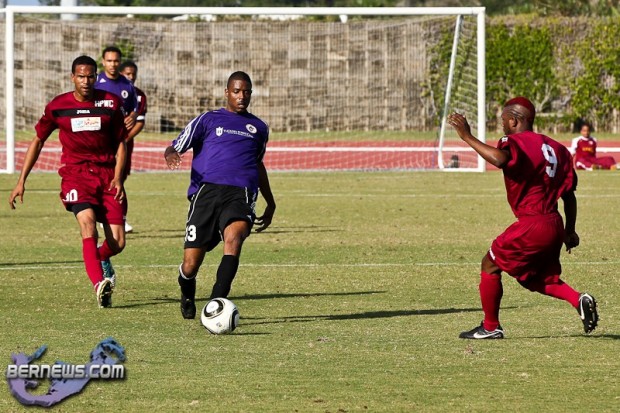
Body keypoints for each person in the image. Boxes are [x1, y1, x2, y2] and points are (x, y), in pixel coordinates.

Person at [447, 96, 598, 339]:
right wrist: (569, 231)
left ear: (515, 120)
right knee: (534, 278)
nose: (502, 125)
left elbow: (499, 159)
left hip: (532, 223)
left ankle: (490, 327)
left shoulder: (513, 141)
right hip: (554, 222)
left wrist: (467, 136)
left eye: (504, 120)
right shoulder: (558, 149)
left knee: (490, 264)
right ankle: (578, 299)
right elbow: (569, 196)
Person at [8, 55, 128, 308]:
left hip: (107, 176)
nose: (86, 81)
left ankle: (100, 258)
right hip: (76, 175)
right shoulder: (57, 106)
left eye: (90, 76)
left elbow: (121, 142)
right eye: (81, 76)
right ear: (72, 77)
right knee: (87, 223)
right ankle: (99, 284)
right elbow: (38, 140)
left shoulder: (110, 103)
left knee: (117, 243)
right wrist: (21, 180)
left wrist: (118, 177)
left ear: (96, 77)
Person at [164, 71, 276, 320]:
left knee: (234, 240)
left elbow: (258, 164)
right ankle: (187, 291)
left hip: (241, 192)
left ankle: (216, 306)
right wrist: (171, 153)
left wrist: (270, 202)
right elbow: (176, 145)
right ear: (227, 92)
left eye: (246, 92)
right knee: (190, 265)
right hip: (206, 192)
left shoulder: (258, 128)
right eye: (236, 91)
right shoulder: (208, 120)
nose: (241, 96)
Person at [94, 46, 139, 284]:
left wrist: (131, 118)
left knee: (118, 183)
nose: (112, 64)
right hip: (95, 148)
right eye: (109, 60)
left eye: (116, 61)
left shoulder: (127, 86)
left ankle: (114, 222)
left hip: (117, 146)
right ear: (103, 62)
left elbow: (132, 113)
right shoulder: (95, 82)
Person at [119, 60, 148, 233]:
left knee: (120, 179)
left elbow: (140, 122)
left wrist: (124, 140)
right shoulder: (109, 92)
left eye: (133, 74)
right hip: (106, 144)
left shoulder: (139, 96)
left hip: (125, 145)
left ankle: (117, 218)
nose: (131, 77)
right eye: (127, 74)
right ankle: (113, 218)